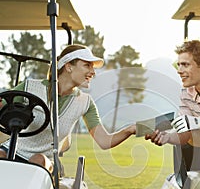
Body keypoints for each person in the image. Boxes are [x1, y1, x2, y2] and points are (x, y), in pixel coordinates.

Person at [0, 44, 136, 172]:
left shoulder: (85, 102)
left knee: (38, 160)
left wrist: (130, 129)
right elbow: (3, 105)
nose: (93, 72)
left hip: (45, 162)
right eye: (87, 65)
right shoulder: (30, 87)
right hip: (11, 151)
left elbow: (104, 141)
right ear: (69, 66)